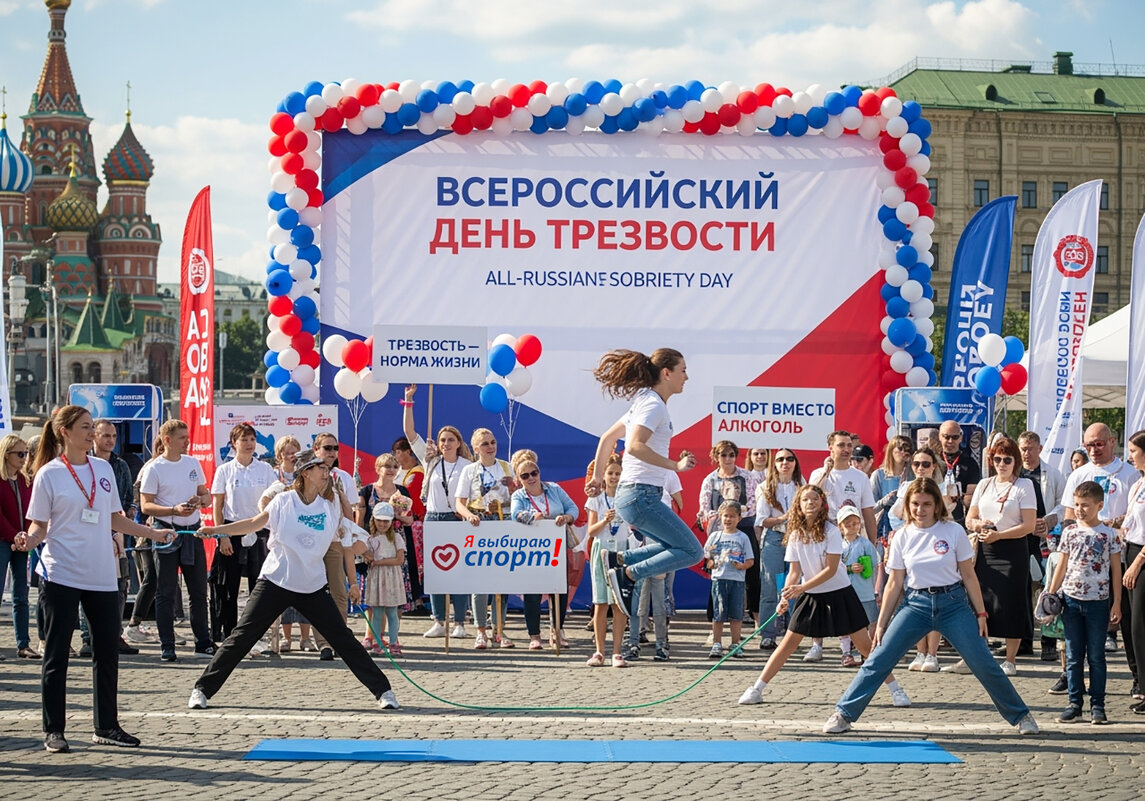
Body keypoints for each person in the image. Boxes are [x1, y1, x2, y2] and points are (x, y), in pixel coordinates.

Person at [14, 406, 176, 752]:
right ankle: (54, 729)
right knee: (57, 653)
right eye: (85, 428)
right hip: (61, 573)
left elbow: (115, 518)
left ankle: (106, 725)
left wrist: (153, 533)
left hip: (102, 574)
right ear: (65, 433)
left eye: (93, 428)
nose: (92, 433)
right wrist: (29, 540)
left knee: (107, 653)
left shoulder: (103, 469)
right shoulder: (49, 474)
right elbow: (39, 525)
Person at [823, 477, 1039, 736]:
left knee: (984, 663)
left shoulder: (954, 531)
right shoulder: (902, 536)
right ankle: (843, 713)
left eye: (926, 503)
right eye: (915, 503)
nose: (920, 509)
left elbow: (969, 576)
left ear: (937, 504)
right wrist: (881, 623)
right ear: (907, 505)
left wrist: (981, 613)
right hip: (915, 604)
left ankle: (1021, 716)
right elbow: (894, 583)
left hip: (954, 604)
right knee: (879, 658)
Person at [188, 450, 399, 711]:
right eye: (320, 468)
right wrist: (216, 531)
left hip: (311, 586)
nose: (326, 472)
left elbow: (348, 539)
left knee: (343, 639)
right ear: (305, 473)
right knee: (242, 637)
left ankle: (384, 691)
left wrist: (364, 555)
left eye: (327, 467)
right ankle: (202, 689)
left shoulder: (330, 506)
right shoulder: (283, 501)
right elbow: (254, 523)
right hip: (276, 581)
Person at [737, 484, 909, 708]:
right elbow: (794, 572)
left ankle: (896, 689)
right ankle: (757, 688)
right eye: (805, 500)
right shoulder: (796, 534)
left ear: (822, 504)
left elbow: (830, 569)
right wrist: (785, 597)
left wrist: (800, 588)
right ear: (798, 505)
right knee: (787, 644)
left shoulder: (831, 531)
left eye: (814, 499)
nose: (810, 503)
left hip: (840, 594)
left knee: (866, 647)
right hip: (810, 594)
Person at [586, 348, 702, 620]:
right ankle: (628, 574)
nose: (686, 377)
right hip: (641, 496)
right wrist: (676, 465)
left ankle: (620, 560)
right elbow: (635, 446)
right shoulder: (652, 405)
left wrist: (597, 477)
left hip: (632, 497)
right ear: (666, 372)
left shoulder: (643, 400)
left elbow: (607, 438)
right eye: (682, 370)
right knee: (692, 551)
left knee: (672, 547)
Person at [1044, 481, 1122, 724]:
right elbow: (1062, 564)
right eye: (1077, 505)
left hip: (1098, 601)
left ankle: (1098, 705)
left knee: (1097, 655)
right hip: (1071, 600)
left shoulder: (1109, 535)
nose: (1079, 510)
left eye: (1085, 505)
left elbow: (1116, 572)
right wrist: (1051, 592)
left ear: (1099, 505)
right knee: (1074, 654)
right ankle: (1074, 703)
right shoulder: (1069, 532)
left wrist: (1117, 602)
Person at [139, 419, 214, 662]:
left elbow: (205, 493)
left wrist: (202, 500)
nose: (188, 441)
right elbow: (146, 505)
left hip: (191, 531)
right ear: (168, 441)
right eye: (182, 438)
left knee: (198, 591)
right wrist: (173, 509)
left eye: (187, 436)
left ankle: (203, 642)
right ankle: (167, 645)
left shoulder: (192, 463)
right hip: (166, 532)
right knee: (166, 592)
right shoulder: (154, 468)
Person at [1061, 423, 1138, 657]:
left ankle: (1137, 675)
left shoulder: (1129, 473)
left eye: (1099, 444)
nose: (1094, 449)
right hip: (1084, 563)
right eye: (1089, 445)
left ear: (1112, 442)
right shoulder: (1079, 474)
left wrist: (1111, 524)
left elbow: (1136, 514)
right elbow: (1069, 515)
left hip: (1120, 556)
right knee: (1076, 627)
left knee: (1126, 618)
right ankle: (1070, 675)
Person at [402, 385, 473, 638]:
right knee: (435, 572)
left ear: (458, 443)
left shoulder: (468, 466)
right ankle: (439, 620)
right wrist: (409, 401)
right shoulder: (431, 460)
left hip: (456, 519)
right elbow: (410, 434)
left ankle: (460, 623)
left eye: (450, 440)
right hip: (433, 518)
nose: (445, 443)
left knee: (459, 572)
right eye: (442, 440)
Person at [964, 435, 1037, 675]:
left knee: (1011, 603)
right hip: (985, 548)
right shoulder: (985, 484)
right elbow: (969, 518)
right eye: (997, 459)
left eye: (1007, 459)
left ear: (1015, 461)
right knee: (981, 601)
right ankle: (978, 657)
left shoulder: (1024, 486)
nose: (1002, 464)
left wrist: (1000, 535)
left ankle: (1011, 660)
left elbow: (1028, 525)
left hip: (1012, 550)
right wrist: (978, 525)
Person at [208, 423, 277, 645]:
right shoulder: (224, 470)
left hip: (259, 530)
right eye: (244, 440)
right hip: (231, 529)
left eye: (252, 439)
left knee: (260, 587)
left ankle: (255, 635)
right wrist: (222, 536)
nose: (249, 444)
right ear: (233, 444)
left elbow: (274, 501)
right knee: (228, 587)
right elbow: (217, 506)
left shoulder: (265, 470)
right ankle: (228, 634)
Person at [509, 453, 578, 649]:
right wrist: (532, 517)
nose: (531, 478)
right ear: (518, 479)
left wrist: (566, 517)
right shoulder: (519, 495)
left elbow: (574, 509)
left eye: (534, 473)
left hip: (557, 548)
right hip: (532, 551)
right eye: (525, 476)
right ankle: (534, 635)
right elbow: (515, 514)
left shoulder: (554, 488)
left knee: (559, 590)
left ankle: (557, 631)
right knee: (532, 593)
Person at [455, 428, 514, 649]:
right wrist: (469, 515)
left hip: (502, 523)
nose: (491, 446)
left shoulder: (507, 467)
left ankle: (499, 629)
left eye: (493, 442)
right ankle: (481, 631)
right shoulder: (469, 470)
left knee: (502, 580)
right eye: (485, 444)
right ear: (476, 448)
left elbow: (518, 498)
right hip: (478, 524)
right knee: (480, 582)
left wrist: (513, 488)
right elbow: (459, 502)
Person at [891, 447, 949, 672]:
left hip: (936, 544)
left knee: (935, 599)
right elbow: (895, 513)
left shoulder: (942, 487)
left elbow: (947, 514)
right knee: (913, 599)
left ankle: (932, 654)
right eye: (916, 464)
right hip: (911, 544)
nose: (921, 468)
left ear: (934, 465)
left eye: (926, 464)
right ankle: (920, 651)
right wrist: (902, 530)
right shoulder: (906, 487)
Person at [698, 441, 760, 629]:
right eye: (723, 455)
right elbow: (704, 508)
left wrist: (734, 514)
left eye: (731, 455)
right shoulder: (710, 480)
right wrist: (719, 516)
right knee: (717, 573)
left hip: (746, 528)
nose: (727, 459)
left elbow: (753, 504)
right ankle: (714, 623)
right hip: (719, 533)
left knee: (752, 573)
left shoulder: (747, 476)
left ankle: (757, 621)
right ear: (716, 457)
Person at [309, 432, 357, 660]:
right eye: (327, 448)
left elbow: (350, 514)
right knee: (318, 593)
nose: (332, 453)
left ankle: (339, 640)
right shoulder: (308, 474)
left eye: (335, 448)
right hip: (311, 542)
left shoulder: (344, 477)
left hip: (335, 542)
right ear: (316, 448)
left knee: (339, 592)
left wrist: (338, 492)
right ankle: (323, 644)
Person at [753, 447, 804, 649]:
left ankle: (793, 634)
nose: (785, 462)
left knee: (794, 587)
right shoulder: (764, 487)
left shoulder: (802, 485)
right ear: (774, 463)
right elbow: (761, 520)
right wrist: (783, 518)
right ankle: (768, 634)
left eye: (790, 459)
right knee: (769, 588)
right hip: (774, 538)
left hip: (796, 538)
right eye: (781, 459)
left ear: (795, 463)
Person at [584, 454, 631, 667]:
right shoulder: (595, 498)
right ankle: (599, 651)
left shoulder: (628, 499)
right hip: (601, 550)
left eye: (618, 474)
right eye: (610, 473)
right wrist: (605, 520)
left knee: (619, 604)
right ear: (603, 475)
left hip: (621, 551)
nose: (614, 477)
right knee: (601, 602)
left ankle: (617, 652)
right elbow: (591, 531)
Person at [124, 437, 165, 644]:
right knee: (150, 579)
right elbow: (139, 501)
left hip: (160, 531)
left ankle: (139, 623)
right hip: (147, 533)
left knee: (155, 580)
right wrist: (143, 527)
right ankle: (133, 624)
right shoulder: (150, 468)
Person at [0, 434, 38, 659]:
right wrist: (13, 535)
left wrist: (27, 536)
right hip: (4, 541)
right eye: (20, 454)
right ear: (7, 455)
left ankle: (23, 644)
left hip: (22, 543)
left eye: (26, 453)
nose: (24, 458)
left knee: (21, 595)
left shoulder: (26, 481)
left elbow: (32, 512)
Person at [704, 500, 754, 659]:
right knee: (718, 613)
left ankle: (735, 643)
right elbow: (707, 557)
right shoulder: (714, 536)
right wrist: (711, 563)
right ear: (720, 517)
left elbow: (750, 560)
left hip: (737, 581)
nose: (728, 519)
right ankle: (717, 644)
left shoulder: (743, 537)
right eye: (725, 516)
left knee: (736, 614)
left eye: (732, 516)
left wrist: (741, 566)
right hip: (719, 579)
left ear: (739, 518)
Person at [809, 430, 878, 544]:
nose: (846, 449)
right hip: (824, 537)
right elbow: (811, 503)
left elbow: (868, 513)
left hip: (852, 539)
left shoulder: (861, 477)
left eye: (849, 445)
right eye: (841, 445)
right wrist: (826, 471)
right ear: (831, 448)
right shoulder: (818, 474)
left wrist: (872, 543)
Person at [1119, 430, 1145, 712]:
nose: (1129, 456)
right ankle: (1139, 680)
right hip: (1130, 549)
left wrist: (1137, 562)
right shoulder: (1138, 483)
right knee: (1128, 623)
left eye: (1134, 451)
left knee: (1140, 624)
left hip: (1142, 556)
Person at [363, 502, 407, 656]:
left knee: (392, 612)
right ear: (374, 520)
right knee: (377, 612)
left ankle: (394, 642)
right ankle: (377, 641)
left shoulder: (396, 538)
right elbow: (366, 556)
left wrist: (379, 562)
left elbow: (399, 559)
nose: (382, 524)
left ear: (391, 522)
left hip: (391, 578)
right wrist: (367, 557)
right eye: (379, 520)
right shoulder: (370, 539)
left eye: (386, 521)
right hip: (377, 578)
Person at [838, 505, 878, 667]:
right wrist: (848, 568)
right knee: (845, 622)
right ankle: (847, 652)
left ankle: (868, 652)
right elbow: (832, 567)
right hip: (844, 592)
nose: (852, 527)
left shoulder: (865, 544)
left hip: (865, 591)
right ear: (841, 526)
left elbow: (874, 564)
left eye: (855, 523)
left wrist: (865, 568)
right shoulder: (838, 546)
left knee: (870, 621)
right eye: (847, 524)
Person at [871, 436, 914, 544]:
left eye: (907, 449)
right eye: (900, 448)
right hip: (884, 525)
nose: (903, 452)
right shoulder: (879, 475)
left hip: (907, 522)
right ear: (891, 450)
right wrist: (884, 502)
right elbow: (870, 510)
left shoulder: (913, 474)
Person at [937, 420, 981, 525]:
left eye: (955, 437)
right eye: (946, 437)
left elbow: (971, 496)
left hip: (959, 516)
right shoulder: (933, 460)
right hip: (936, 512)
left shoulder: (970, 463)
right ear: (940, 437)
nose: (950, 441)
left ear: (961, 438)